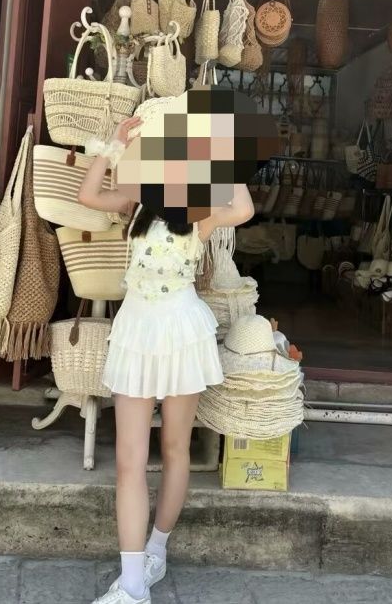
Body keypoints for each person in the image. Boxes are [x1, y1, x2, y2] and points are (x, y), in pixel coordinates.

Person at [78, 116, 255, 604]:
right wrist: (112, 146)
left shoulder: (199, 214)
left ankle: (156, 551)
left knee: (176, 448)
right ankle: (133, 583)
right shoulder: (134, 203)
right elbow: (88, 196)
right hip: (136, 330)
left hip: (181, 331)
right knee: (129, 460)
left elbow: (243, 207)